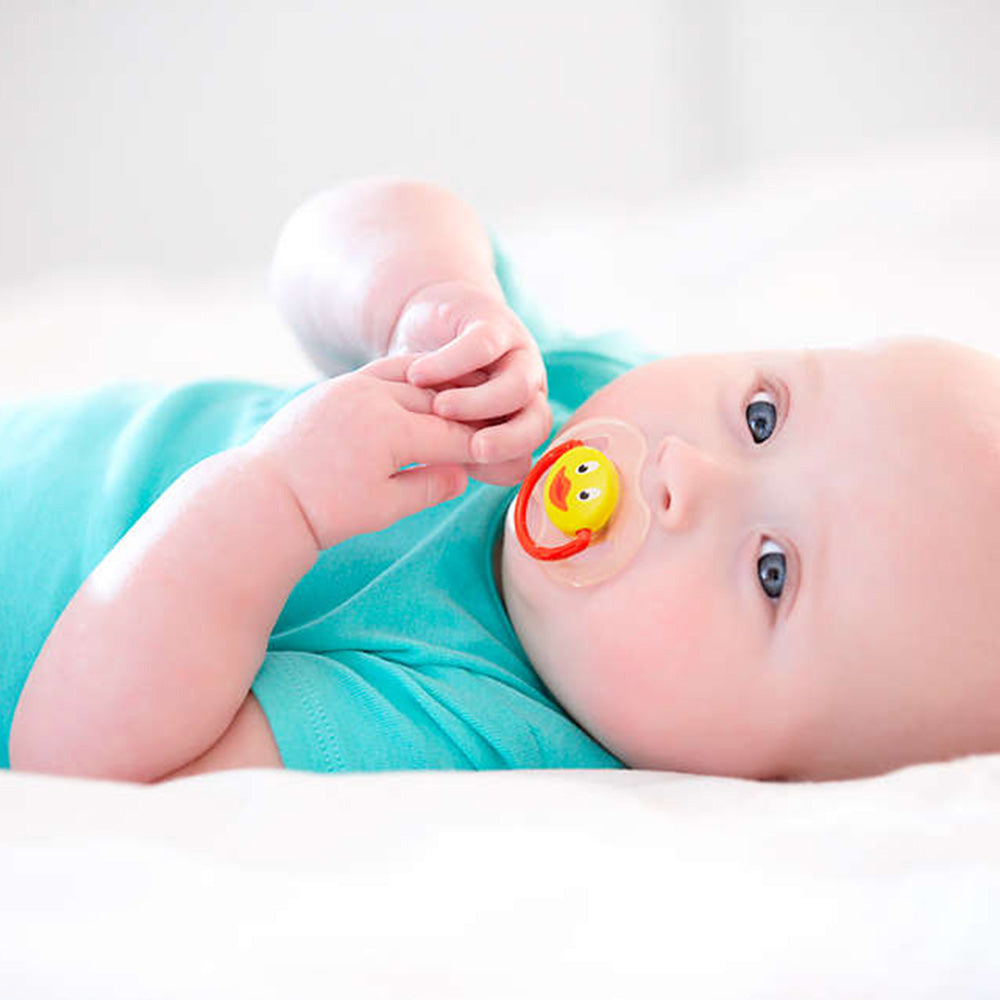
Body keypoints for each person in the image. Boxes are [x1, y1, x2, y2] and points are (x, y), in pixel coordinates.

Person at [7, 178, 1000, 783]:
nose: (684, 471)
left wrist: (278, 499)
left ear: (771, 780)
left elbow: (79, 759)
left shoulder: (472, 726)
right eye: (761, 417)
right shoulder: (570, 388)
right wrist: (426, 296)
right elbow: (329, 230)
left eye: (772, 571)